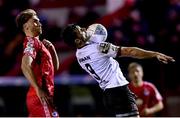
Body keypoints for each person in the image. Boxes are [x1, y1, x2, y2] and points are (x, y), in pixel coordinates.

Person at [62, 23, 175, 117]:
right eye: (80, 30)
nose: (83, 29)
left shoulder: (79, 55)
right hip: (118, 91)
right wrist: (154, 54)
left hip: (109, 94)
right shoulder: (99, 48)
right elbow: (130, 52)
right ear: (77, 41)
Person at [16, 9, 59, 117]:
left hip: (43, 97)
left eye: (38, 21)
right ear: (26, 27)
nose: (39, 23)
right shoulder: (31, 42)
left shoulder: (39, 44)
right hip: (40, 98)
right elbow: (25, 65)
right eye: (35, 21)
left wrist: (52, 50)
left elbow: (54, 70)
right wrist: (38, 89)